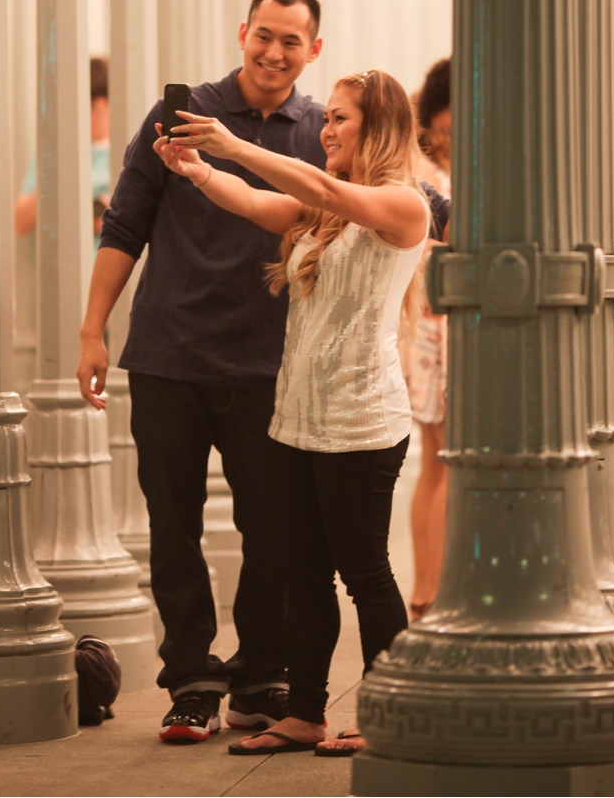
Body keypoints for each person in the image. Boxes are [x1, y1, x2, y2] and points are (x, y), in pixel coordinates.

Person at [154, 69, 429, 756]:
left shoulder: (404, 204)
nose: (326, 129)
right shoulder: (324, 211)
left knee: (365, 573)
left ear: (379, 126)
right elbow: (253, 202)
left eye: (341, 118)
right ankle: (305, 713)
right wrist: (198, 169)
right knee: (302, 574)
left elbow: (326, 189)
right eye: (326, 116)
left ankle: (388, 713)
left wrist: (232, 143)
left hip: (362, 421)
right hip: (298, 419)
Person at [76, 0, 325, 743]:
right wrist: (92, 330)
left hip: (269, 366)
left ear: (313, 49)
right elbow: (125, 225)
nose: (274, 52)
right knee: (172, 526)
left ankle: (260, 674)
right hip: (170, 357)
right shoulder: (178, 116)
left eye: (291, 41)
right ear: (243, 31)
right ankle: (190, 679)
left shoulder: (321, 131)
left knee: (273, 529)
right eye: (264, 35)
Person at [401, 58, 451, 619]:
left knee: (437, 462)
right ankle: (432, 595)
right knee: (445, 461)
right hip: (439, 327)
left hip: (429, 326)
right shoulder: (436, 174)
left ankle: (426, 593)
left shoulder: (432, 168)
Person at [15, 57, 111, 249]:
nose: (87, 116)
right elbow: (20, 221)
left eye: (93, 107)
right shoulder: (54, 153)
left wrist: (112, 219)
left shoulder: (128, 152)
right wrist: (56, 177)